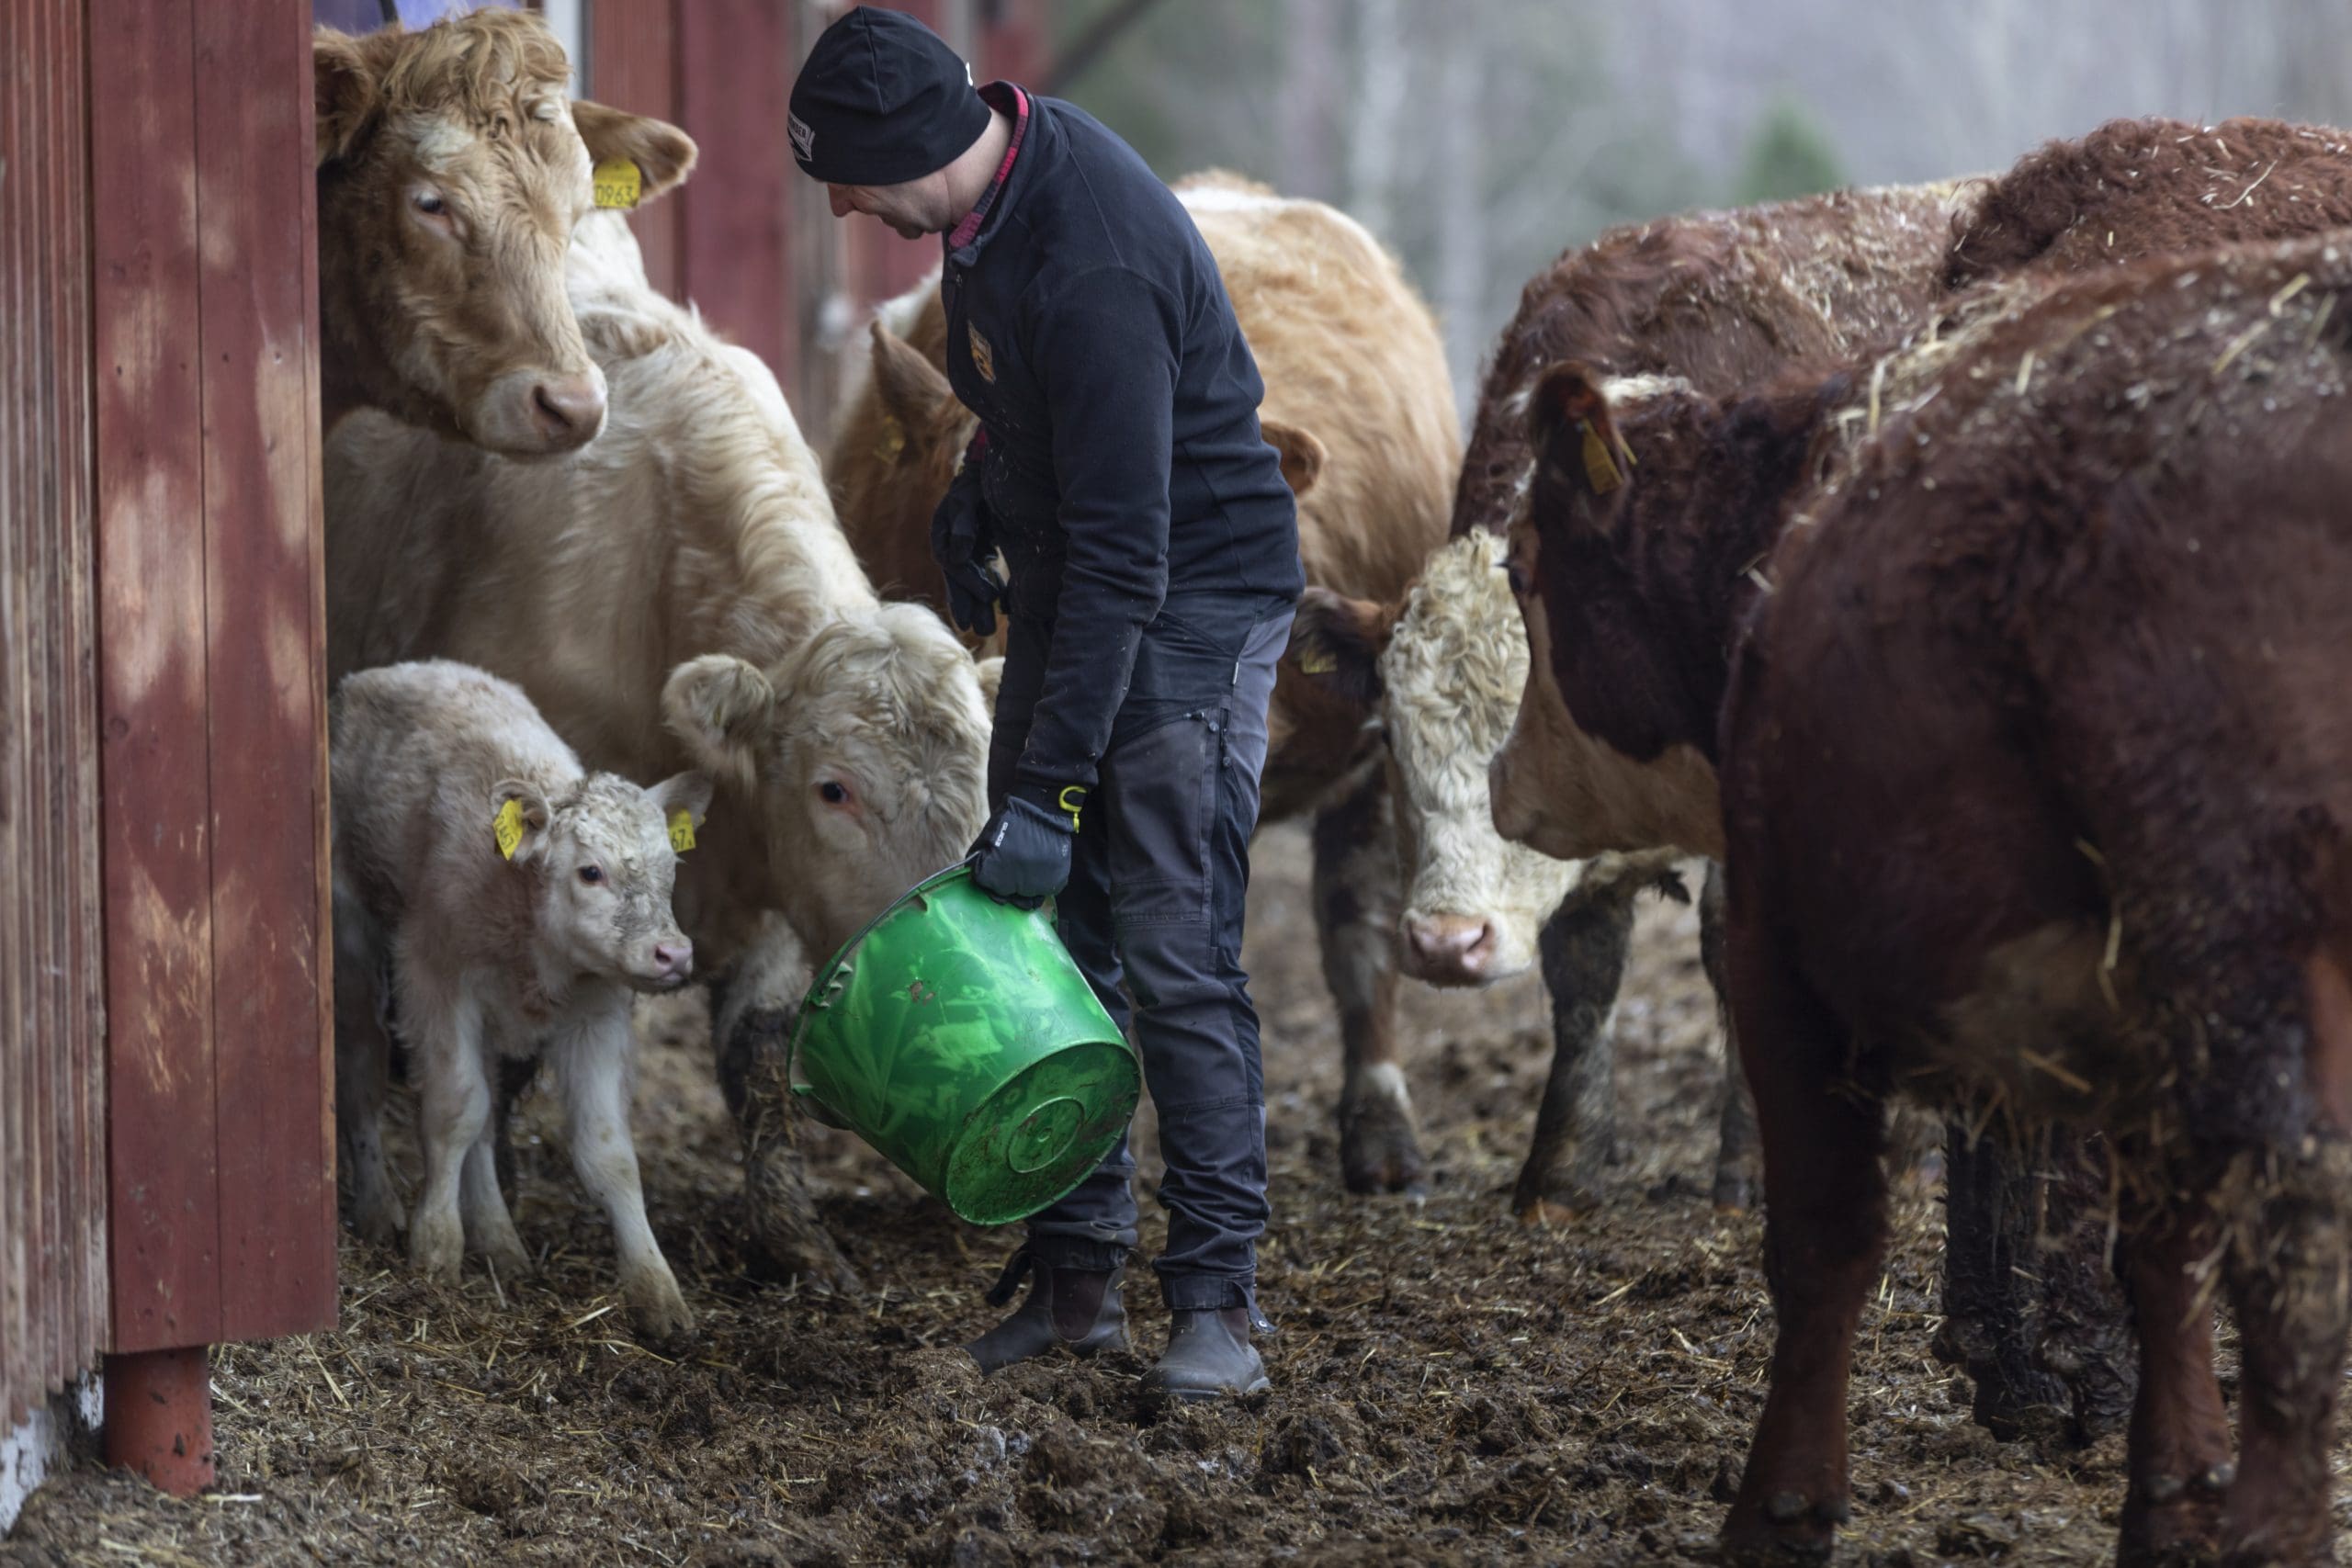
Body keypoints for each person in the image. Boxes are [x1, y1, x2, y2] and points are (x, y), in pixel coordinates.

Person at [790, 6, 1303, 1402]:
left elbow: (1136, 549)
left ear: (908, 146)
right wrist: (978, 489)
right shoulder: (984, 207)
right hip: (1082, 567)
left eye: (844, 176)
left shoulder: (1088, 259)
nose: (842, 204)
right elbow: (1041, 419)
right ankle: (1078, 1288)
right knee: (1046, 929)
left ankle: (1217, 1309)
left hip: (1188, 590)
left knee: (1175, 952)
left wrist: (1056, 789)